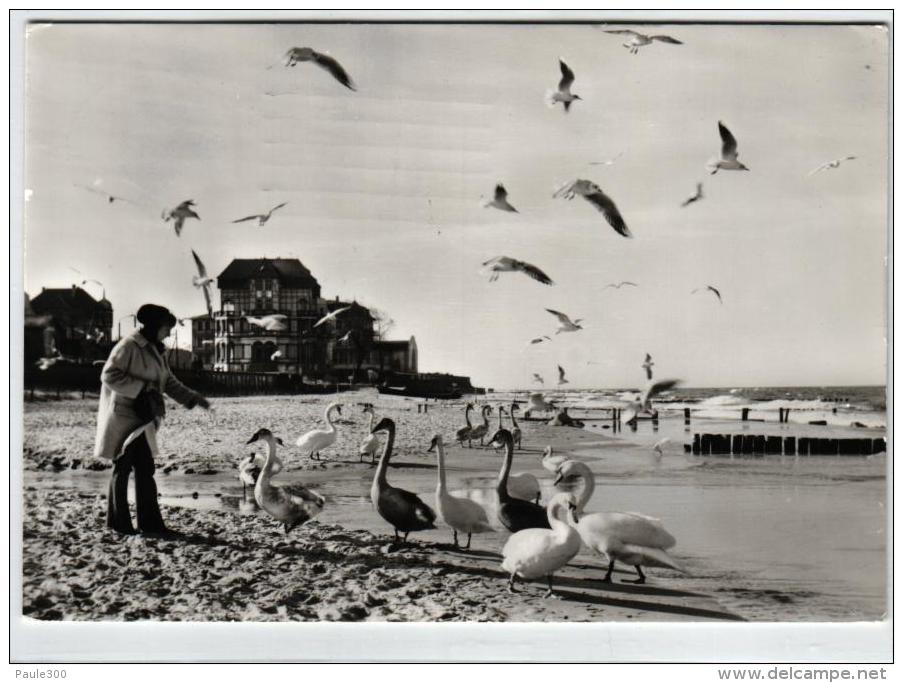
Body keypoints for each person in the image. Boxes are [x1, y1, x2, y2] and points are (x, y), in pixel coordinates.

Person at [94, 304, 211, 535]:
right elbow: (108, 375)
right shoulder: (128, 345)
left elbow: (167, 382)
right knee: (123, 467)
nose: (169, 333)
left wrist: (193, 398)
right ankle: (120, 524)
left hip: (144, 417)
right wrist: (142, 389)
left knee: (145, 468)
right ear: (156, 327)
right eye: (167, 328)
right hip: (124, 416)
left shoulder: (157, 350)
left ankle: (150, 525)